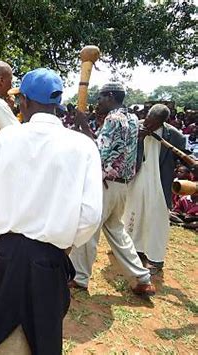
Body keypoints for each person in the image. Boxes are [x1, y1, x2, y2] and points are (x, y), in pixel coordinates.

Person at [0, 68, 103, 354]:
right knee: (44, 335)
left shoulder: (7, 138)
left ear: (25, 102)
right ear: (56, 103)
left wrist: (14, 206)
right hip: (50, 255)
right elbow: (91, 215)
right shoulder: (83, 146)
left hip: (4, 252)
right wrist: (65, 243)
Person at [71, 82, 156, 296]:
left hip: (105, 185)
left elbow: (97, 153)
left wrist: (83, 126)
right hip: (121, 186)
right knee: (117, 231)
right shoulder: (133, 119)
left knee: (88, 228)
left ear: (110, 97)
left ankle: (79, 278)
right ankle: (142, 278)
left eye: (100, 98)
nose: (97, 103)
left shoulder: (113, 119)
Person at [123, 104, 186, 274]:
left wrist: (190, 165)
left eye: (153, 124)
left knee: (157, 218)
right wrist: (139, 139)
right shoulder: (136, 127)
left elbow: (184, 157)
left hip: (160, 182)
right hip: (137, 177)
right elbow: (126, 152)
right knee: (133, 213)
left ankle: (156, 260)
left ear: (163, 122)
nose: (148, 125)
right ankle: (134, 250)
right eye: (148, 120)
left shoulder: (174, 136)